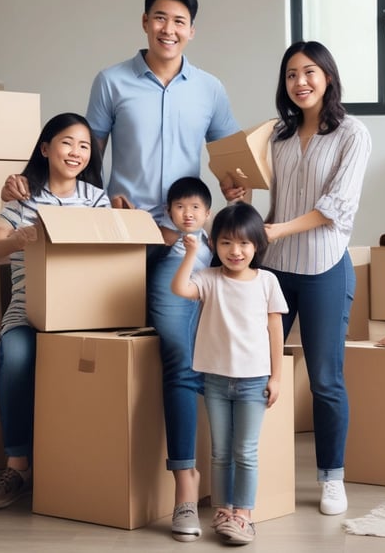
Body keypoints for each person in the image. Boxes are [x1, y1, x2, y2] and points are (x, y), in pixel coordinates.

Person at [1, 0, 243, 541]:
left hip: (178, 244)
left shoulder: (210, 89)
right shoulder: (111, 81)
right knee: (81, 354)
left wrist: (236, 188)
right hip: (116, 237)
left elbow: (230, 162)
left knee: (179, 352)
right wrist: (27, 183)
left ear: (191, 30)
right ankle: (61, 470)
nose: (168, 29)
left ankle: (185, 488)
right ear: (144, 22)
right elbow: (82, 155)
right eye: (159, 17)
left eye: (179, 21)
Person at [0, 113, 110, 509]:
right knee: (15, 356)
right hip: (27, 311)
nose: (76, 152)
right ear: (46, 148)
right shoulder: (24, 197)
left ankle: (80, 466)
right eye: (67, 142)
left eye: (84, 146)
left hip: (84, 314)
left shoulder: (96, 199)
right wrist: (18, 238)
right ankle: (18, 468)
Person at [262, 40, 372, 516]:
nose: (300, 82)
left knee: (325, 379)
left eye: (309, 72)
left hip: (325, 267)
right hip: (273, 270)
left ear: (327, 76)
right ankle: (255, 472)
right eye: (291, 74)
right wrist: (237, 192)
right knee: (256, 369)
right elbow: (267, 198)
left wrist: (279, 229)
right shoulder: (277, 136)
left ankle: (331, 478)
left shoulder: (352, 133)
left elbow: (336, 208)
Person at [171, 202, 287, 545]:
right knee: (220, 452)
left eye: (244, 243)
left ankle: (244, 516)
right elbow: (179, 288)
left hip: (254, 381)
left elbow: (275, 330)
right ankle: (223, 512)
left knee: (246, 452)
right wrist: (190, 254)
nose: (235, 251)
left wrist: (276, 377)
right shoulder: (208, 279)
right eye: (225, 243)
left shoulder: (267, 281)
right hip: (216, 381)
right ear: (214, 244)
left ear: (257, 245)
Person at [165, 176, 213, 272]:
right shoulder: (168, 244)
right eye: (180, 207)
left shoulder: (209, 240)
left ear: (207, 213)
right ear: (169, 212)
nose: (187, 214)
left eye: (195, 207)